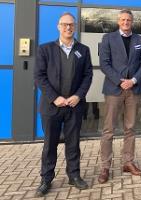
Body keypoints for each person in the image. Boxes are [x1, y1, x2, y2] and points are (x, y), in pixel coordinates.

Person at [34, 12, 93, 197]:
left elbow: (87, 75)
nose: (68, 27)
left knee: (73, 143)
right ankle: (46, 179)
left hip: (74, 106)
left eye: (71, 25)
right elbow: (39, 76)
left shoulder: (83, 50)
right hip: (52, 106)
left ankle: (74, 175)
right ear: (58, 26)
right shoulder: (45, 49)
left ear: (75, 27)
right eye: (64, 24)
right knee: (50, 144)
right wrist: (54, 97)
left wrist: (78, 95)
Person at [98, 9, 141, 183]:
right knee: (108, 130)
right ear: (118, 21)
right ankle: (105, 166)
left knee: (131, 128)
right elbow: (104, 64)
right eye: (123, 19)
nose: (126, 22)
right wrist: (120, 81)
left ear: (132, 21)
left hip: (133, 89)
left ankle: (128, 162)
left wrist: (133, 80)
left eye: (129, 20)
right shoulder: (108, 39)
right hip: (114, 89)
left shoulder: (139, 40)